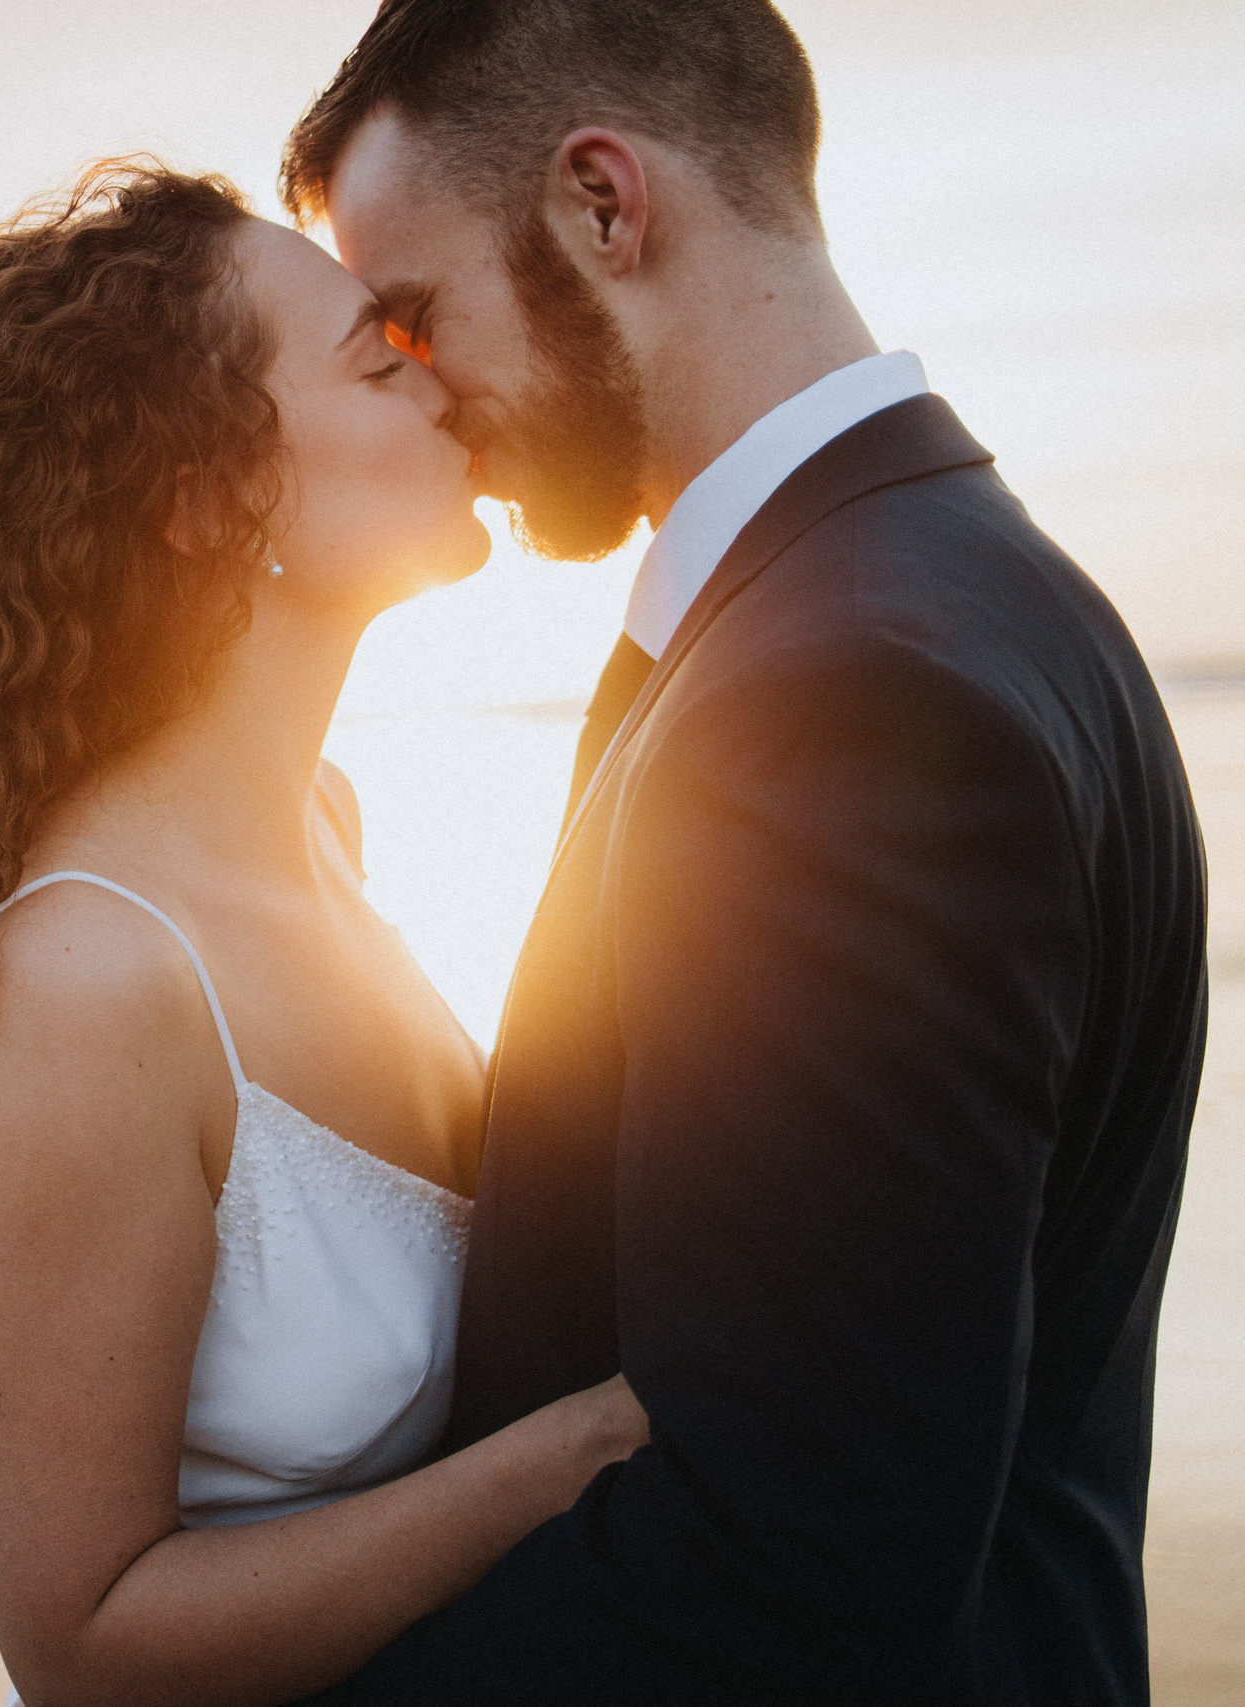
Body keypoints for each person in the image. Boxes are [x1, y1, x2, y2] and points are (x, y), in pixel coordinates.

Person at [274, 2, 1207, 1703]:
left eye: (416, 312)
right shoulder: (957, 590)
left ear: (605, 206)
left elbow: (786, 1561)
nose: (421, 382)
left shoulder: (838, 699)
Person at [0, 163, 649, 1706]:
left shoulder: (325, 821)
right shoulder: (86, 980)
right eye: (376, 353)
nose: (442, 376)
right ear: (210, 497)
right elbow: (79, 1642)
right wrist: (564, 1462)